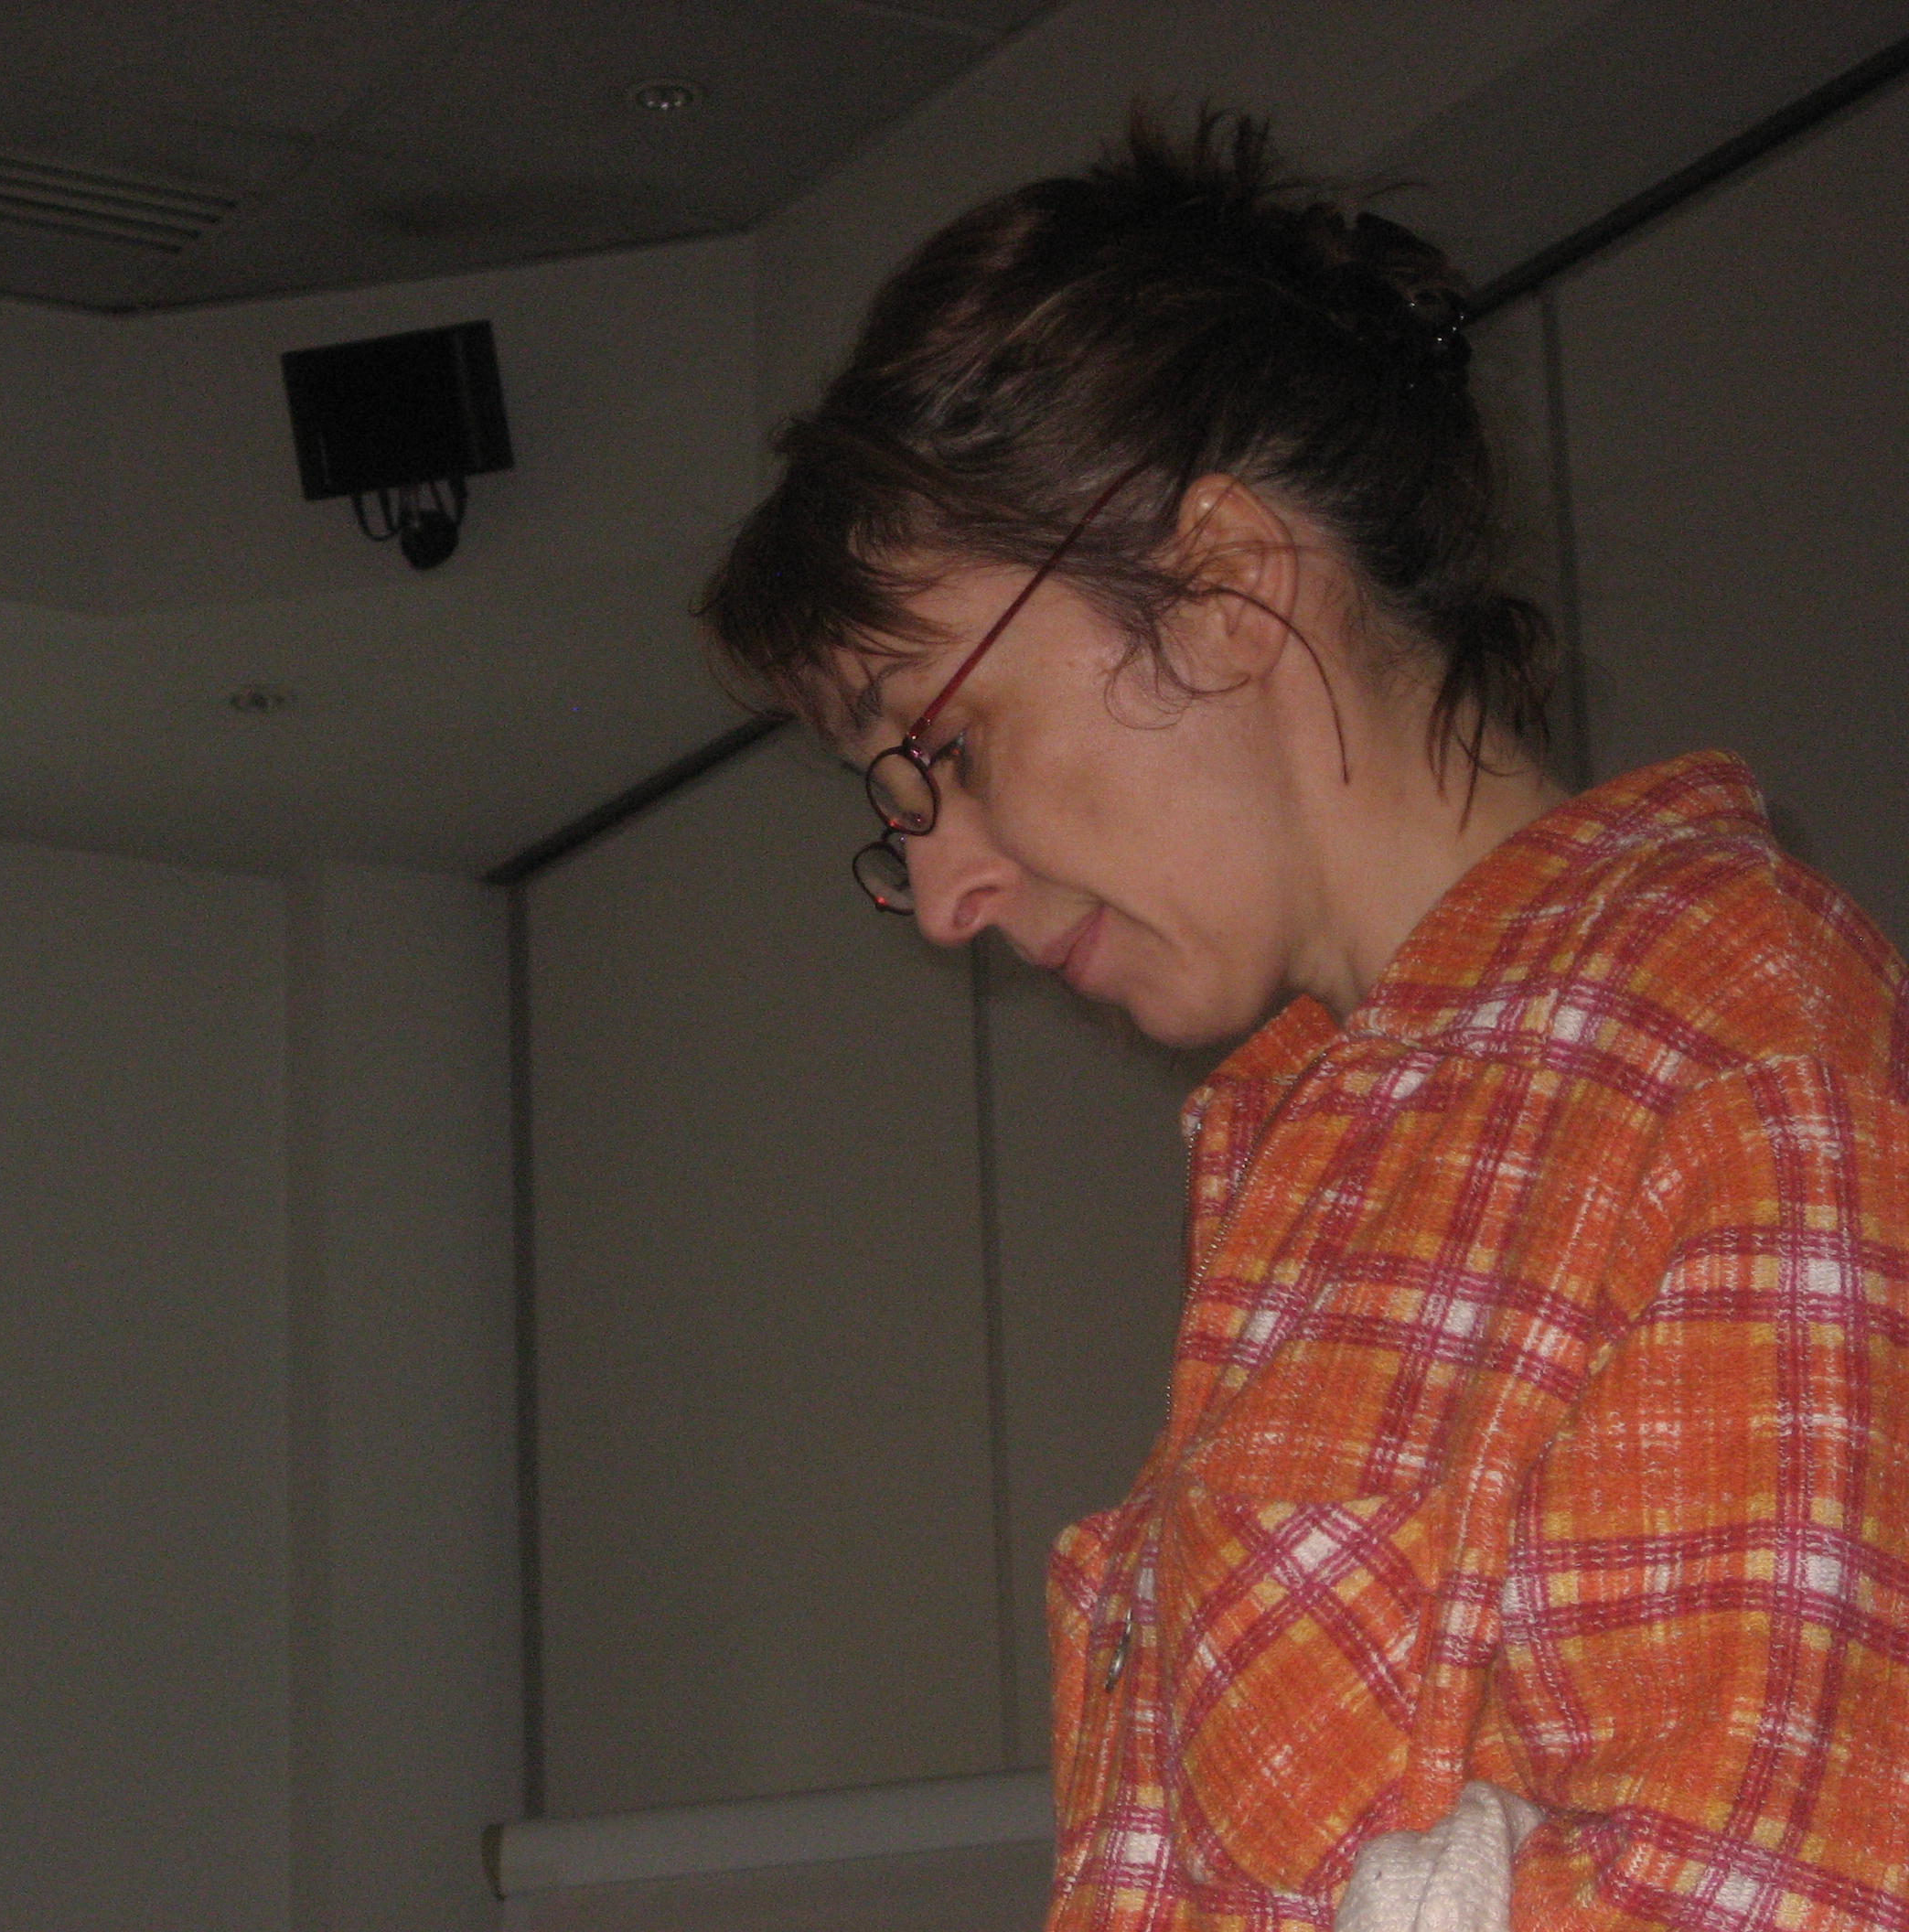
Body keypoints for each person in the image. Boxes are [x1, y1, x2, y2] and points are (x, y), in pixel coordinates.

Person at [701, 113, 1909, 1928]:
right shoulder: (1334, 1145)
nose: (945, 895)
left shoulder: (1713, 1037)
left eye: (943, 747)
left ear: (1224, 586)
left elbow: (1785, 1888)